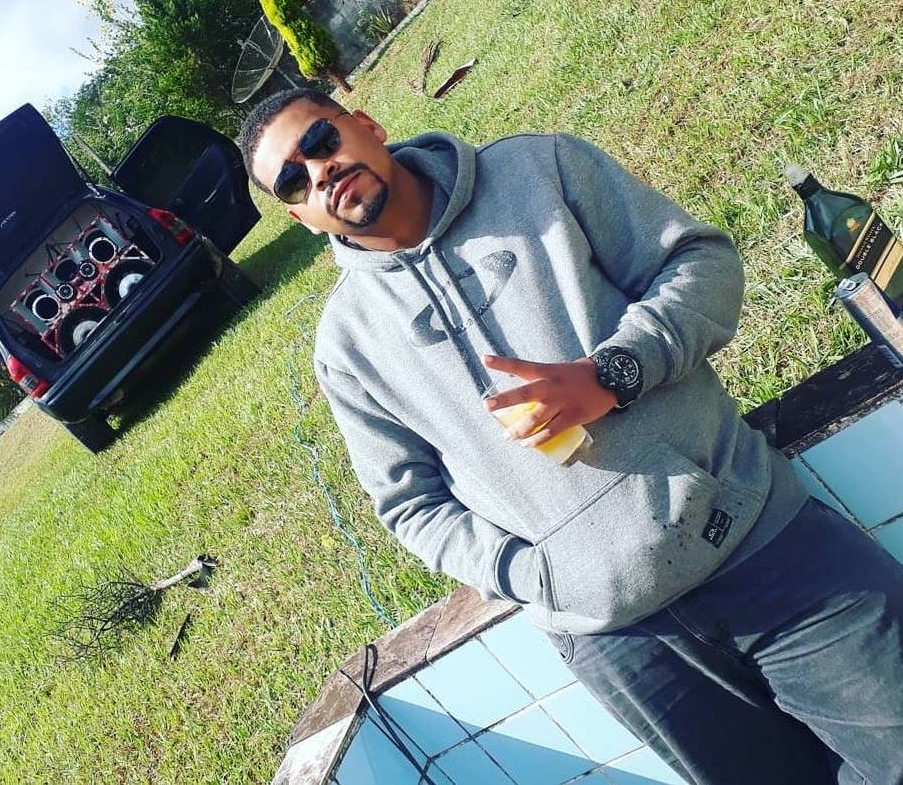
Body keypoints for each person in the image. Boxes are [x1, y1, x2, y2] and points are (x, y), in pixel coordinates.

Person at [239, 88, 903, 784]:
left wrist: (613, 374)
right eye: (293, 180)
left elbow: (701, 265)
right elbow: (410, 505)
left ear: (366, 124)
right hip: (624, 649)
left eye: (320, 141)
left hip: (761, 547)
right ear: (299, 216)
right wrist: (540, 580)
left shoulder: (538, 171)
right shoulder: (347, 346)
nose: (319, 171)